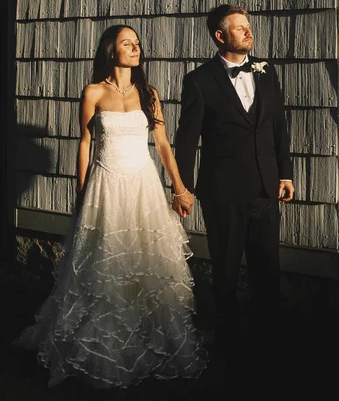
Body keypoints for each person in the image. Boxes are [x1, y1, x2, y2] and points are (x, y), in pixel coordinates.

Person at [14, 24, 206, 388]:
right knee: (103, 267)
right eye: (127, 43)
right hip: (105, 185)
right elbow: (85, 142)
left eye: (137, 43)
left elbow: (163, 146)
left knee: (145, 266)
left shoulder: (149, 94)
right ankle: (101, 352)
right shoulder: (93, 92)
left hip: (143, 186)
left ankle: (150, 345)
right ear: (110, 51)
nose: (136, 48)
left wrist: (179, 188)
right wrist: (82, 189)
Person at [174, 4, 294, 353]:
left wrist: (285, 173)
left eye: (248, 26)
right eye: (239, 27)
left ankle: (267, 337)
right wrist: (183, 187)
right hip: (223, 191)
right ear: (219, 35)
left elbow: (278, 126)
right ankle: (227, 340)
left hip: (265, 187)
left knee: (267, 267)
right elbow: (186, 138)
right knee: (225, 269)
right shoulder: (199, 80)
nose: (247, 31)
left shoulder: (267, 71)